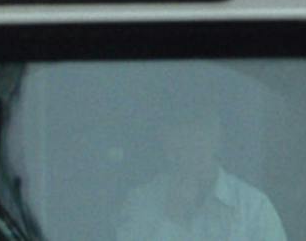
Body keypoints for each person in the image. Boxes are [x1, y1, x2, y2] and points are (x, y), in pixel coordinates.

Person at [114, 103, 288, 241]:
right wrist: (174, 218)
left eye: (200, 132)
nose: (192, 144)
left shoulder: (255, 207)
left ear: (217, 138)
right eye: (181, 134)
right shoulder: (140, 202)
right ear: (166, 142)